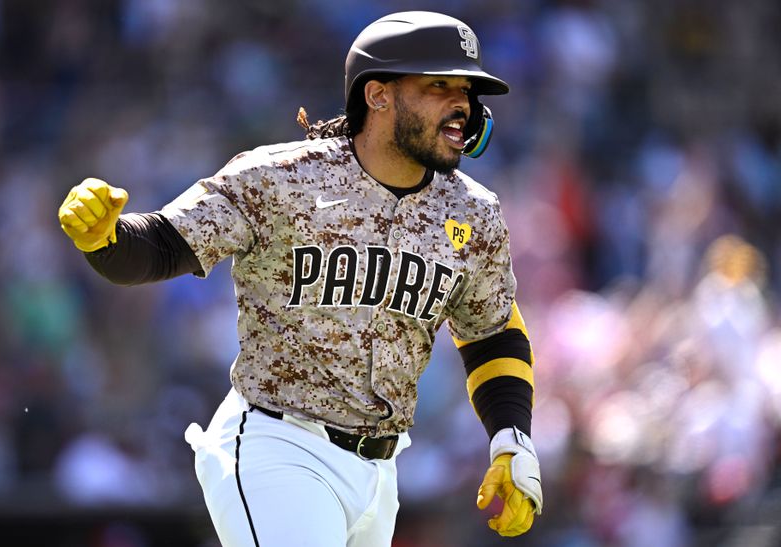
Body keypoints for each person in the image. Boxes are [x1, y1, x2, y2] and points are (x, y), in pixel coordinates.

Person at [57, 11, 543, 547]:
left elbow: (492, 332)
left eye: (468, 91)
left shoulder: (474, 212)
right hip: (278, 445)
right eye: (439, 86)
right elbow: (163, 246)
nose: (463, 106)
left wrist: (510, 438)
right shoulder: (280, 177)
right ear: (378, 95)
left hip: (380, 473)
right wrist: (105, 238)